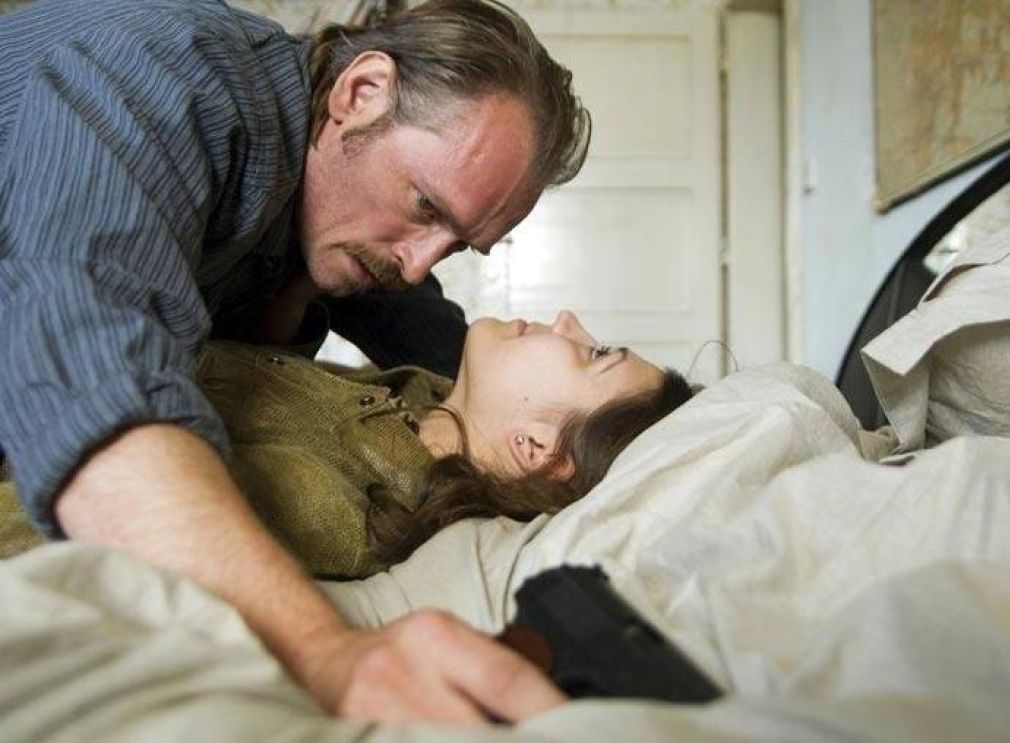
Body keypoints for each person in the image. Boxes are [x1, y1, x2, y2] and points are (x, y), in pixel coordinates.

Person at [0, 0, 591, 724]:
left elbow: (441, 341)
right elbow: (86, 369)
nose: (416, 265)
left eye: (457, 245)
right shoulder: (163, 78)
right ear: (360, 93)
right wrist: (325, 651)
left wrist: (609, 440)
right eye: (425, 206)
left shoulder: (351, 206)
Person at [2, 310, 694, 579]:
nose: (568, 320)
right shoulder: (421, 397)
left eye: (594, 353)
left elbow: (59, 528)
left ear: (536, 446)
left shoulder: (345, 508)